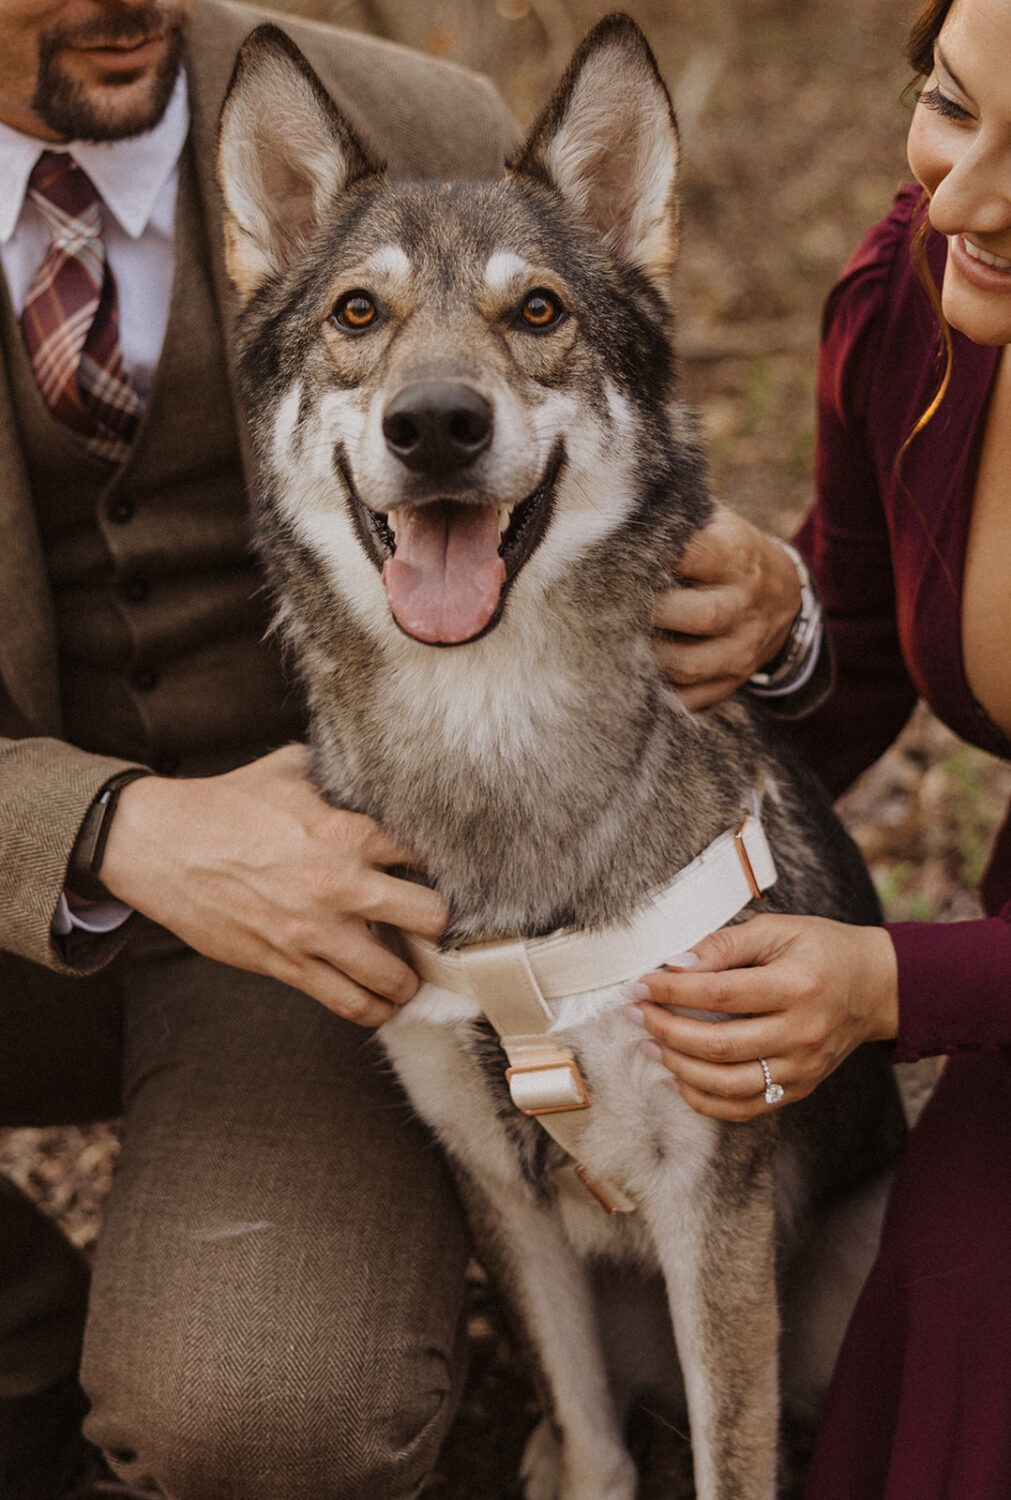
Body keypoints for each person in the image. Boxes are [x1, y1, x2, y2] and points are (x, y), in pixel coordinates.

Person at [0, 3, 517, 1497]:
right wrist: (115, 831)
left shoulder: (430, 130)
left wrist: (784, 605)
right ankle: (27, 1351)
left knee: (268, 1419)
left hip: (315, 926)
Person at [629, 0, 1011, 1494]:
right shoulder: (915, 301)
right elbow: (847, 665)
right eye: (952, 105)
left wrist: (893, 983)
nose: (964, 202)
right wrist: (773, 626)